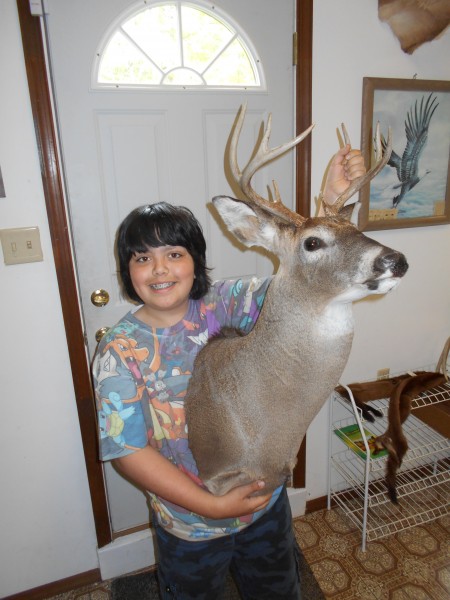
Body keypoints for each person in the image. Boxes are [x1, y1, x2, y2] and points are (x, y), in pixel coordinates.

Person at [92, 142, 365, 600]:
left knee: (278, 591)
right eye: (142, 258)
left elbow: (305, 271)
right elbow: (128, 451)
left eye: (173, 253)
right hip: (189, 524)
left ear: (195, 259)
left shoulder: (226, 301)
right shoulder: (120, 352)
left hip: (265, 504)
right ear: (127, 271)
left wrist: (330, 203)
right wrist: (210, 505)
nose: (159, 269)